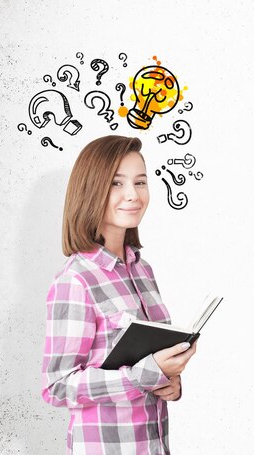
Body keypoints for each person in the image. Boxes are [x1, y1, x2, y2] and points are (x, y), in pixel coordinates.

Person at [41, 135, 197, 454]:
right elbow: (57, 387)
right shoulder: (76, 280)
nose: (133, 195)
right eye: (116, 183)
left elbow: (147, 365)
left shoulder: (142, 270)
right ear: (91, 189)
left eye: (141, 182)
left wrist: (167, 382)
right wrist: (143, 375)